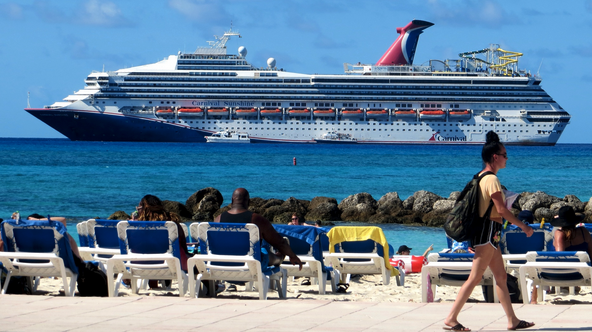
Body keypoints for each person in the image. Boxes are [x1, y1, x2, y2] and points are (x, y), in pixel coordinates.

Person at [444, 131, 535, 331]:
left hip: (490, 233)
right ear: (495, 157)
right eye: (504, 155)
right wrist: (524, 226)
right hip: (487, 233)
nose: (506, 158)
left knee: (501, 277)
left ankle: (512, 320)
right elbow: (501, 209)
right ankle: (451, 318)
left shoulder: (480, 176)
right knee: (475, 277)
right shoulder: (491, 179)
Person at [214, 188, 302, 269]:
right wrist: (292, 255)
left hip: (221, 264)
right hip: (251, 266)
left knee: (263, 251)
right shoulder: (255, 219)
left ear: (232, 201)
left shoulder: (218, 219)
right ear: (248, 202)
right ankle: (279, 258)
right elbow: (279, 242)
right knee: (267, 253)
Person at [136, 194, 192, 272]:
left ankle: (154, 284)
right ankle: (208, 284)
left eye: (138, 209)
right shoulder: (172, 223)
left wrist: (134, 222)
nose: (137, 211)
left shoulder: (136, 228)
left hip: (142, 264)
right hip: (176, 264)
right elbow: (183, 245)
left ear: (143, 210)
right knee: (199, 265)